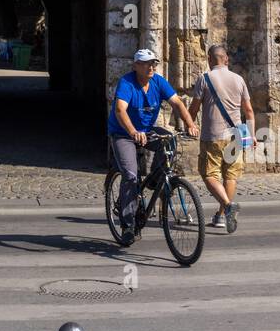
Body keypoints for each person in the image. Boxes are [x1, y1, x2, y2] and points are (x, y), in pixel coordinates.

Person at [108, 49, 199, 246]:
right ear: (135, 66)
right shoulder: (127, 83)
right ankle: (128, 225)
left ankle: (156, 178)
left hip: (146, 130)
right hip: (124, 133)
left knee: (169, 140)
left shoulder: (158, 81)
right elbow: (120, 109)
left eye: (154, 63)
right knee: (131, 175)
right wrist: (132, 131)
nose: (151, 67)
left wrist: (190, 124)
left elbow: (177, 103)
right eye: (146, 63)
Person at [188, 44, 255, 234]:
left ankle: (227, 205)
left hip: (213, 136)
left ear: (209, 59)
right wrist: (251, 134)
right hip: (236, 137)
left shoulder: (204, 79)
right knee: (230, 175)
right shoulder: (239, 79)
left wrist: (189, 124)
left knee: (209, 174)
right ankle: (221, 216)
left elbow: (194, 108)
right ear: (226, 59)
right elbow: (248, 111)